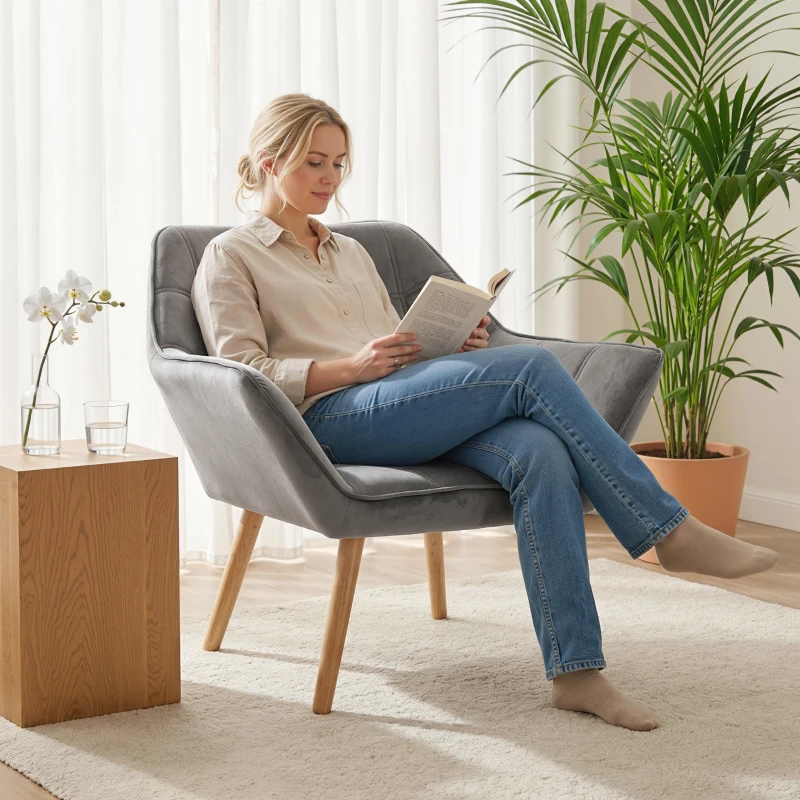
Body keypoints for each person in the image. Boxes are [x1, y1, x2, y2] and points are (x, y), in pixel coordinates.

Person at [191, 92, 781, 732]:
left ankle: (577, 672)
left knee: (541, 451)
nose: (330, 180)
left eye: (339, 164)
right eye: (314, 163)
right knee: (529, 367)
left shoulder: (349, 251)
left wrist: (452, 344)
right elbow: (241, 371)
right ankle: (667, 530)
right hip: (326, 421)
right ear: (270, 162)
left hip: (400, 402)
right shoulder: (232, 254)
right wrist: (350, 368)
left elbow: (397, 343)